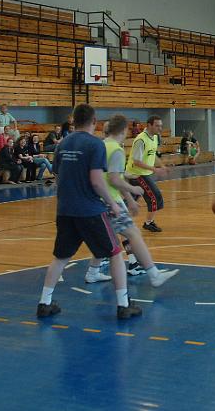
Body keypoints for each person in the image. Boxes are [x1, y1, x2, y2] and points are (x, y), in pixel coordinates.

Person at [37, 104, 143, 320]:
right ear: (94, 121)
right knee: (115, 253)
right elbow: (96, 181)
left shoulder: (62, 144)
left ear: (73, 120)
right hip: (90, 210)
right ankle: (123, 304)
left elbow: (58, 177)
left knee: (61, 257)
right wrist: (112, 203)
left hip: (65, 209)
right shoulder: (95, 144)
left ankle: (44, 302)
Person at [99, 114, 179, 284]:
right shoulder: (120, 148)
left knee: (111, 233)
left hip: (102, 198)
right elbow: (115, 178)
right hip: (117, 192)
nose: (160, 128)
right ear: (123, 130)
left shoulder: (101, 146)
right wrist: (131, 192)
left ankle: (97, 267)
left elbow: (103, 177)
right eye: (157, 125)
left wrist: (129, 198)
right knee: (131, 232)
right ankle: (145, 271)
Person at [125, 115, 167, 233]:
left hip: (143, 173)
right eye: (157, 126)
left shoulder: (154, 137)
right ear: (149, 125)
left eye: (161, 126)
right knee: (155, 197)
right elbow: (136, 161)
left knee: (130, 201)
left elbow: (152, 154)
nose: (160, 128)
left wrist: (162, 165)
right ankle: (148, 223)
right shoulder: (141, 140)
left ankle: (119, 219)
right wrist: (155, 169)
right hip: (136, 174)